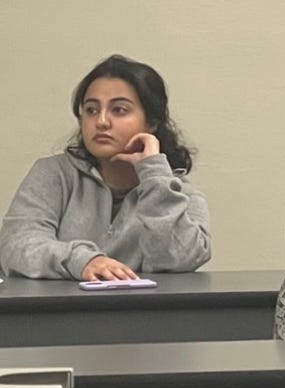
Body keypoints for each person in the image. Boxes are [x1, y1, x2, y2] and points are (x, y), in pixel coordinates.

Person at [0, 54, 211, 281]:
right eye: (91, 110)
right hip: (57, 313)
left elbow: (178, 259)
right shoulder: (54, 173)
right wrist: (82, 261)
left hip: (142, 313)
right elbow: (15, 245)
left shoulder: (177, 190)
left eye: (119, 110)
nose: (101, 121)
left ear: (151, 122)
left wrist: (154, 175)